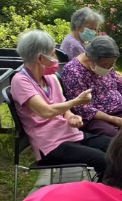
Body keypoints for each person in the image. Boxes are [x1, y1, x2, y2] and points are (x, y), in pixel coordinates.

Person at [9, 30, 111, 178]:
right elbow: (46, 111)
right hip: (50, 145)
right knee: (104, 161)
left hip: (70, 134)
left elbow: (64, 108)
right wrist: (77, 101)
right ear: (40, 58)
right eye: (52, 54)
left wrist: (71, 117)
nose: (56, 58)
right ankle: (106, 196)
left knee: (116, 147)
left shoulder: (50, 78)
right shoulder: (20, 81)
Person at [61, 36, 122, 138]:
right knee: (116, 135)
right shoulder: (73, 71)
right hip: (97, 118)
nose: (108, 68)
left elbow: (121, 88)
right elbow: (83, 108)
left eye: (111, 64)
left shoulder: (106, 63)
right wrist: (114, 120)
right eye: (105, 65)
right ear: (91, 59)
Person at [61, 8, 122, 107]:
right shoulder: (74, 45)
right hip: (90, 82)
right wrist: (112, 76)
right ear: (78, 26)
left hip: (95, 77)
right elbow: (91, 65)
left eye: (95, 29)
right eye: (91, 28)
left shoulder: (75, 40)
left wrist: (113, 74)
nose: (94, 32)